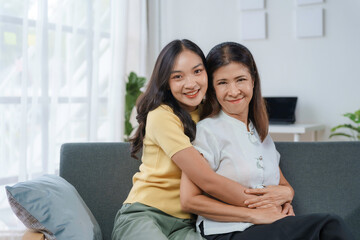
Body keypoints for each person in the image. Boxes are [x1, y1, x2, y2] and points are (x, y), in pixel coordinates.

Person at [180, 42, 355, 240]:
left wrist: (287, 195)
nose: (234, 90)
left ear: (253, 81)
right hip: (227, 232)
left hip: (267, 228)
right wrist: (254, 214)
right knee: (329, 226)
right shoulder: (207, 131)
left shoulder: (261, 133)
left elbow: (282, 184)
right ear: (212, 88)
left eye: (240, 79)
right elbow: (190, 200)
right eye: (222, 83)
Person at [112, 39, 270, 240]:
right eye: (178, 76)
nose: (191, 84)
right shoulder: (162, 115)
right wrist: (260, 206)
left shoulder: (211, 114)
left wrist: (284, 192)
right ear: (166, 83)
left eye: (197, 72)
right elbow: (206, 180)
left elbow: (259, 157)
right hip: (145, 214)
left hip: (188, 224)